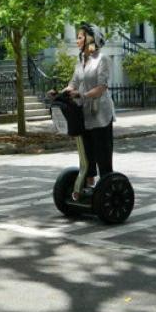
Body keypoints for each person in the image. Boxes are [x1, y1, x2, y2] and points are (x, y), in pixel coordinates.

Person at [49, 23, 115, 199]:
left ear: (91, 39)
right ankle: (88, 189)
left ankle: (107, 191)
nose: (77, 40)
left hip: (101, 115)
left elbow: (101, 87)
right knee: (87, 156)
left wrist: (82, 95)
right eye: (77, 37)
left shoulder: (102, 60)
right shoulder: (80, 61)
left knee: (103, 155)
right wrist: (60, 94)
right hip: (83, 115)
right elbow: (73, 84)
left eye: (80, 37)